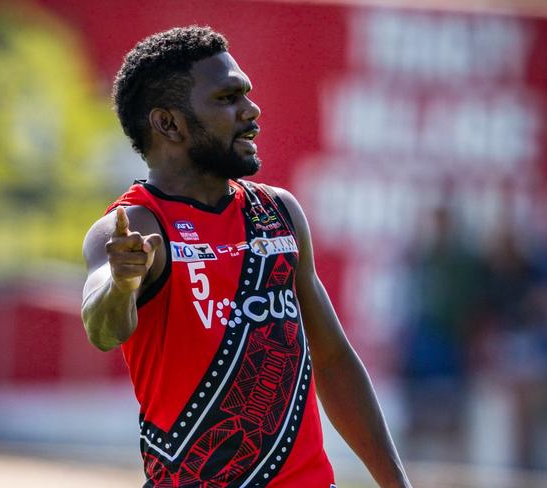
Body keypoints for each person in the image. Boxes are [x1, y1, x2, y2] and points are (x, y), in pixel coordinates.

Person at [81, 26, 412, 487]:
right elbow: (102, 328)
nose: (251, 111)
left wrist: (396, 483)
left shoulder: (280, 212)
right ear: (168, 124)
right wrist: (121, 283)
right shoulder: (137, 227)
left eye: (247, 95)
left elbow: (333, 360)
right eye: (227, 98)